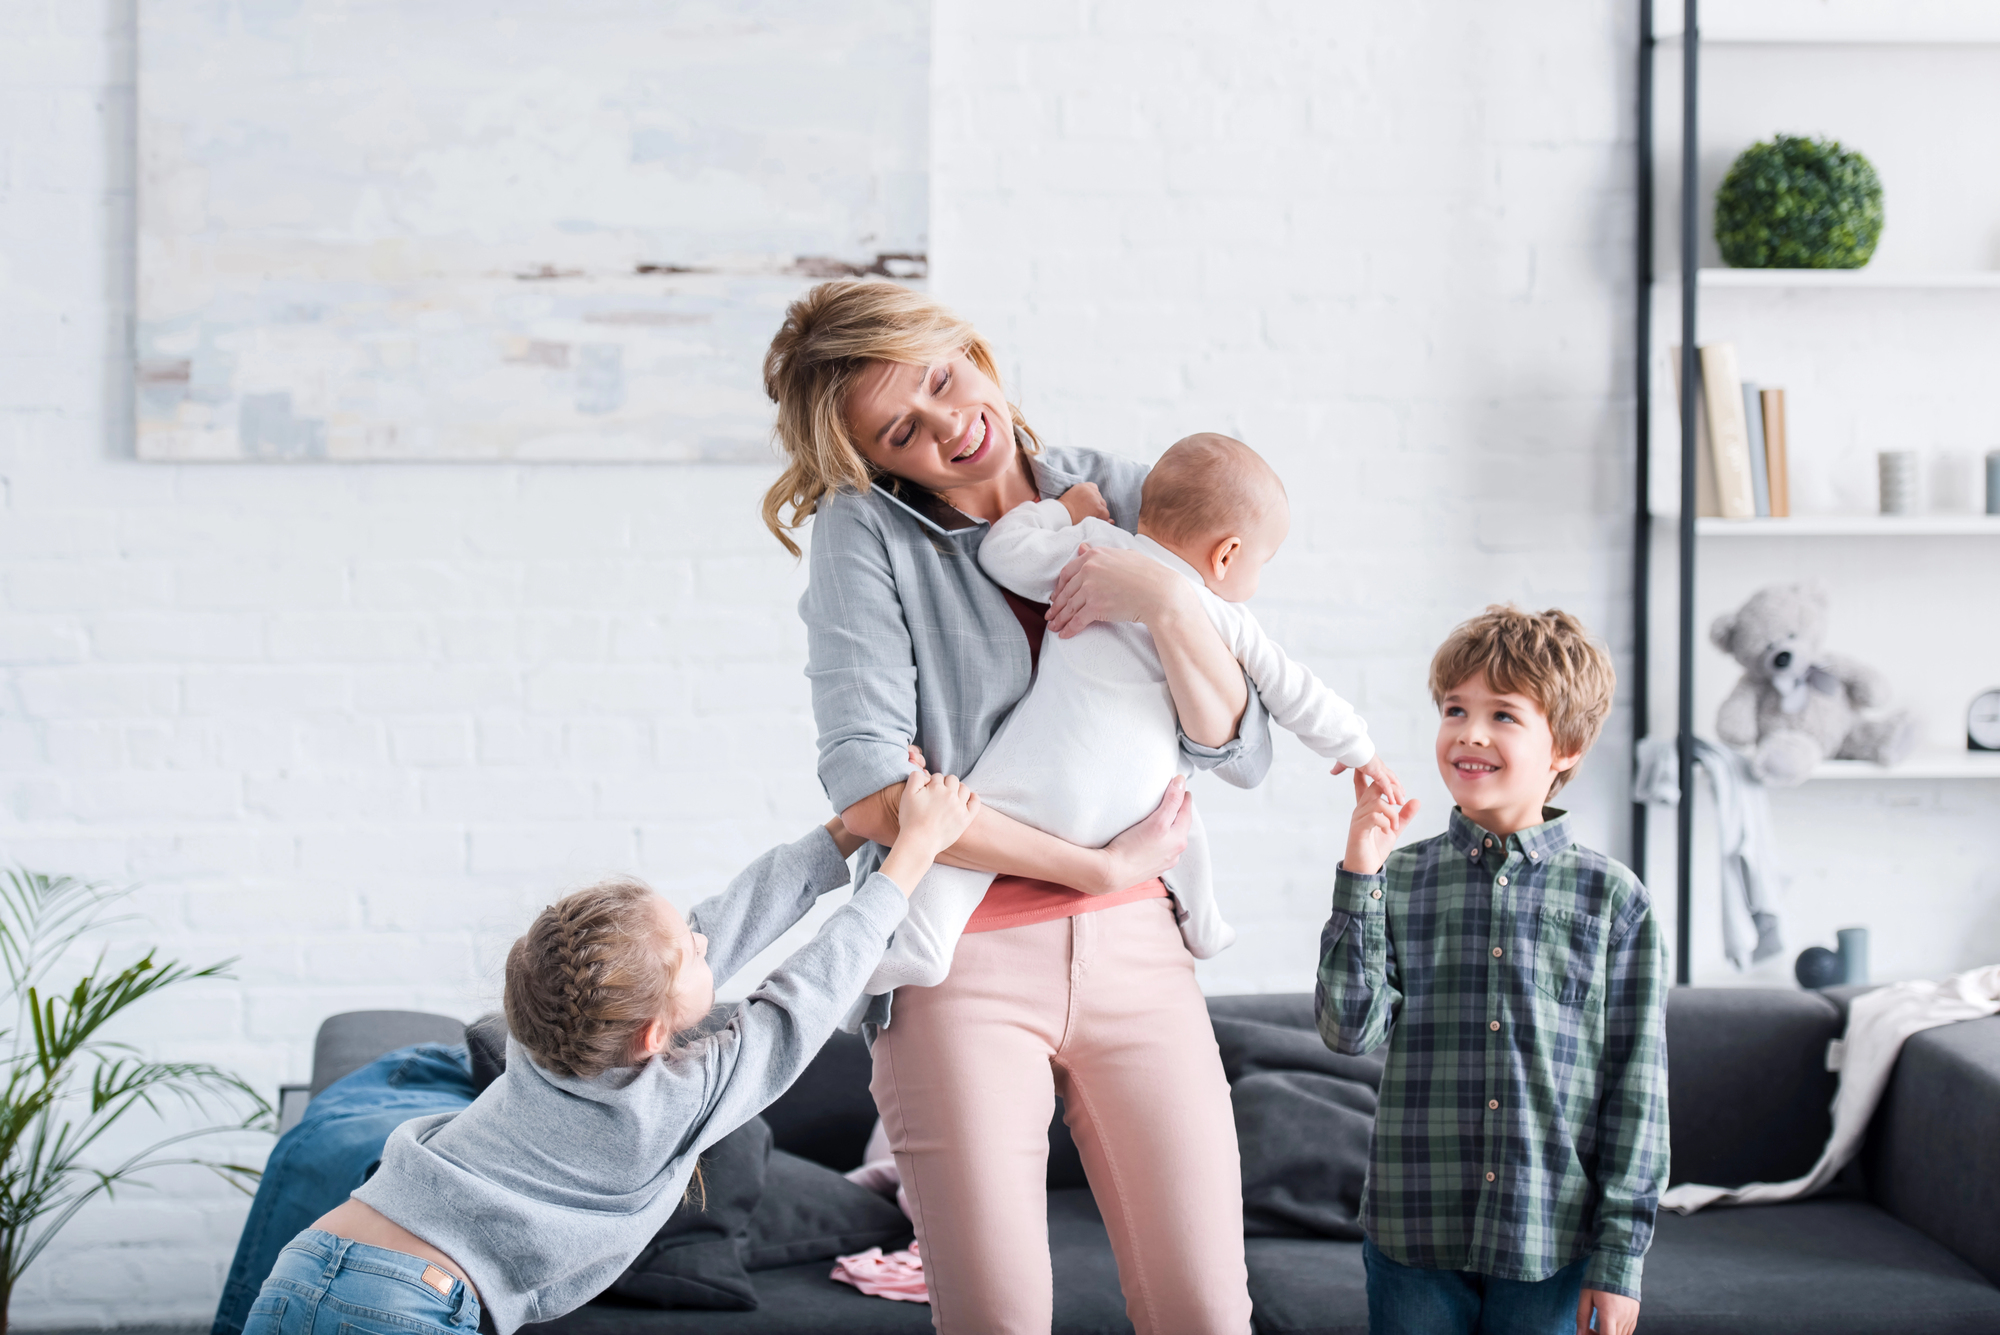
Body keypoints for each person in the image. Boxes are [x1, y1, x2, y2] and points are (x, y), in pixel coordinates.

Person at [763, 279, 1270, 1333]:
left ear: (970, 350)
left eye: (943, 380)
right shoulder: (868, 538)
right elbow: (870, 790)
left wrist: (1170, 598)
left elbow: (1234, 738)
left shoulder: (1126, 489)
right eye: (904, 427)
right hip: (962, 971)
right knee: (996, 1321)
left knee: (1207, 1315)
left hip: (1142, 954)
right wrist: (1092, 865)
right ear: (876, 458)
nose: (951, 424)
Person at [240, 769, 979, 1335]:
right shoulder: (669, 1101)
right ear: (655, 1032)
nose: (703, 940)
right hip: (407, 1302)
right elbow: (806, 995)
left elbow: (728, 920)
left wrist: (845, 831)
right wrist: (910, 856)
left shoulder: (546, 1032)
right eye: (692, 951)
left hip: (310, 1256)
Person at [869, 431, 1403, 994]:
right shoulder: (1223, 616)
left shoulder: (1094, 549)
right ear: (1227, 554)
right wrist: (1359, 750)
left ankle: (923, 944)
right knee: (1179, 816)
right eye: (1262, 562)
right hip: (1138, 804)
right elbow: (1295, 690)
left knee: (957, 847)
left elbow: (1002, 553)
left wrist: (1062, 512)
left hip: (1041, 784)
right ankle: (1205, 920)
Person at [1314, 606, 1668, 1335]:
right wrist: (1361, 868)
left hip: (1551, 1240)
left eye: (1503, 714)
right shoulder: (1398, 879)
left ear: (1565, 745)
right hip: (1413, 1237)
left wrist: (1620, 1260)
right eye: (1455, 709)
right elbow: (1348, 1030)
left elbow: (1638, 1092)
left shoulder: (1614, 900)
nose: (1469, 732)